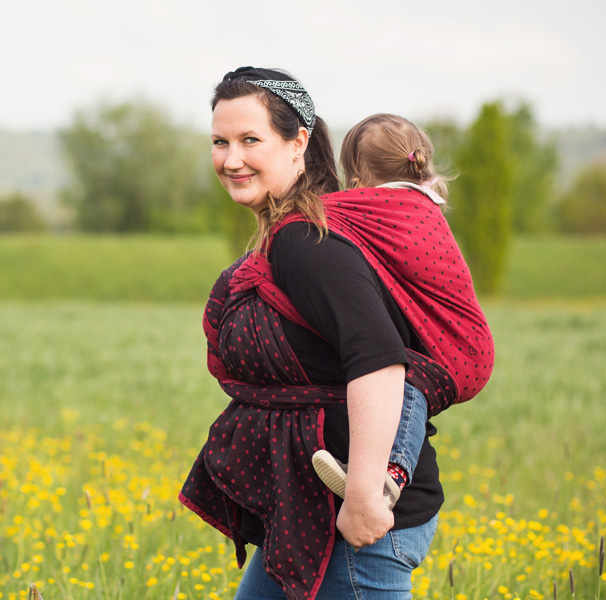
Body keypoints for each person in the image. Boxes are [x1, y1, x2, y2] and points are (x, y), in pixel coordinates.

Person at [178, 68, 494, 600]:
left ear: (298, 141)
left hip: (355, 520)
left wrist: (367, 493)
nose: (231, 159)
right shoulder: (308, 230)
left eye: (250, 140)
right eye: (220, 142)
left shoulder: (309, 240)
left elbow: (379, 361)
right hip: (307, 514)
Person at [310, 113, 459, 511]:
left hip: (454, 352)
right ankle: (384, 474)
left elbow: (321, 209)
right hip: (463, 343)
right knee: (408, 385)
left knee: (402, 383)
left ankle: (388, 478)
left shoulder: (383, 206)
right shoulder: (422, 203)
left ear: (358, 181)